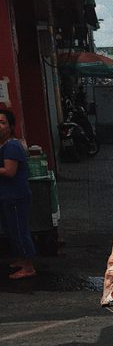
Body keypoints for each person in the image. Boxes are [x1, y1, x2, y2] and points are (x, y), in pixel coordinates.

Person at [0, 109, 36, 279]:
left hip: (16, 197)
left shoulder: (12, 146)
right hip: (7, 196)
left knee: (19, 232)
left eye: (2, 122)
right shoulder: (3, 145)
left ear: (11, 126)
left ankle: (28, 267)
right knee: (11, 230)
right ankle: (22, 260)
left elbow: (9, 171)